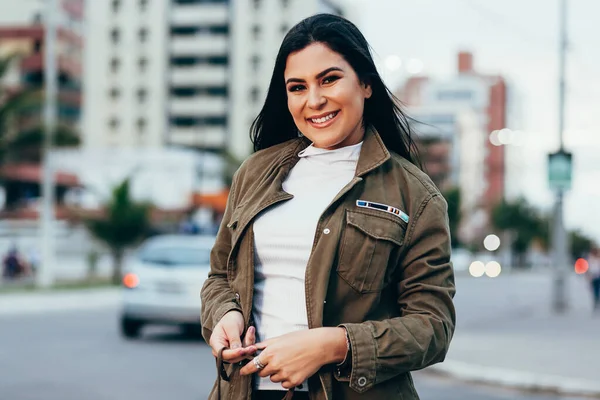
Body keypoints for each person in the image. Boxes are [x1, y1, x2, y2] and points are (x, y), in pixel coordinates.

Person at [200, 14, 456, 400]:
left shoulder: (415, 195)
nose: (314, 100)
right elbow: (219, 275)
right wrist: (225, 315)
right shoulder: (254, 173)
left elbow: (433, 327)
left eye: (329, 79)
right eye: (297, 87)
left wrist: (334, 345)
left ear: (366, 83)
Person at [587, 247, 600, 311]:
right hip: (595, 276)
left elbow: (589, 268)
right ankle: (596, 299)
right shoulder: (591, 258)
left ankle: (596, 299)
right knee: (596, 289)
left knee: (596, 289)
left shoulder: (592, 258)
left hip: (596, 276)